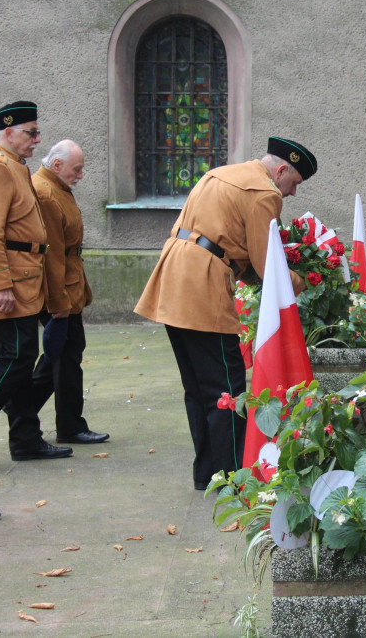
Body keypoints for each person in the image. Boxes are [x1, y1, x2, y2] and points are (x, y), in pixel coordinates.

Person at [135, 137, 315, 490]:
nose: (292, 193)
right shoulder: (264, 193)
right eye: (294, 183)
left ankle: (207, 474)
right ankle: (234, 477)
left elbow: (237, 248)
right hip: (203, 285)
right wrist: (307, 280)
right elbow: (268, 267)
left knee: (197, 386)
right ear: (281, 171)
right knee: (226, 387)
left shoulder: (221, 174)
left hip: (173, 275)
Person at [0, 101, 72, 466]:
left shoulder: (14, 165)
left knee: (22, 361)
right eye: (31, 132)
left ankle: (25, 438)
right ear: (8, 133)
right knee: (16, 357)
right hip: (12, 281)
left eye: (37, 132)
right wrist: (1, 283)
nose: (37, 140)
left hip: (27, 278)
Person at [22, 140, 109, 444]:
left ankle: (23, 409)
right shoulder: (46, 193)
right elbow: (51, 254)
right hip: (59, 289)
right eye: (77, 169)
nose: (81, 175)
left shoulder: (53, 187)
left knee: (62, 352)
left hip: (68, 283)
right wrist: (58, 301)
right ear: (57, 165)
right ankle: (67, 424)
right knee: (66, 355)